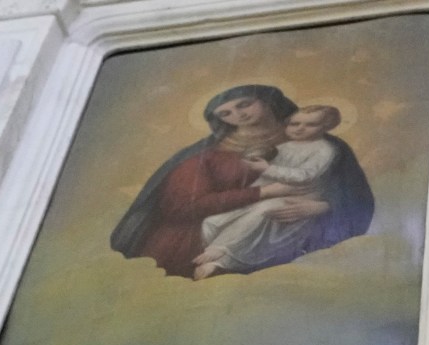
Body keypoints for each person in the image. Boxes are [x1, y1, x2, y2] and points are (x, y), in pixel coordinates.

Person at [110, 85, 375, 281]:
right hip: (193, 239)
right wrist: (263, 191)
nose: (238, 114)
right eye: (226, 113)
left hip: (294, 236)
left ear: (267, 101)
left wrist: (322, 207)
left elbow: (351, 192)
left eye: (244, 104)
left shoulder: (323, 145)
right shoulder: (204, 155)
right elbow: (181, 206)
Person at [195, 104, 347, 279]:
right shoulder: (283, 148)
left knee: (261, 214)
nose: (299, 129)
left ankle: (220, 253)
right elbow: (263, 177)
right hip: (267, 195)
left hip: (294, 199)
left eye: (310, 125)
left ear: (326, 127)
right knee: (214, 220)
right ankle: (205, 253)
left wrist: (267, 168)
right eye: (294, 124)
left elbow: (306, 175)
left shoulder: (324, 149)